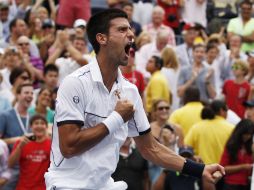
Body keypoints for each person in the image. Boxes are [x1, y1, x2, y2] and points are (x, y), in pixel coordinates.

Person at [44, 9, 225, 190]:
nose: (131, 34)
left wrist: (200, 170)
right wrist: (116, 118)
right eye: (122, 30)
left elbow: (151, 148)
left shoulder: (130, 91)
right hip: (67, 185)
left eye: (130, 29)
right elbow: (69, 147)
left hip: (104, 185)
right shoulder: (74, 83)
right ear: (102, 38)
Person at [8, 114, 51, 190]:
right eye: (36, 123)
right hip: (23, 187)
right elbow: (10, 164)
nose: (39, 126)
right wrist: (20, 147)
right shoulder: (21, 142)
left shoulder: (52, 145)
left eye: (42, 123)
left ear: (46, 127)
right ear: (31, 127)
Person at [220, 119, 254, 190]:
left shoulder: (249, 146)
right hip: (231, 185)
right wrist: (243, 167)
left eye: (250, 134)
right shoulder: (231, 146)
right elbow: (223, 168)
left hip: (246, 184)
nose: (248, 136)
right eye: (246, 134)